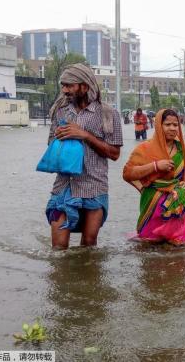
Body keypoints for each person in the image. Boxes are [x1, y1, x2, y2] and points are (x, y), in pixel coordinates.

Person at [45, 63, 123, 249]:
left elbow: (114, 154)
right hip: (64, 186)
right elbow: (50, 144)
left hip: (94, 187)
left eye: (69, 85)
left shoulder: (108, 114)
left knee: (88, 245)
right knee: (58, 248)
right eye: (62, 85)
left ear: (85, 86)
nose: (64, 90)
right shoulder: (60, 110)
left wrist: (85, 135)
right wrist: (60, 141)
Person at [122, 109, 185, 246]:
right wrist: (155, 166)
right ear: (159, 125)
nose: (172, 128)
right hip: (153, 206)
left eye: (175, 125)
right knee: (149, 247)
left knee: (182, 249)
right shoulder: (144, 149)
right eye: (167, 124)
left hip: (178, 205)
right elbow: (128, 173)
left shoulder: (183, 150)